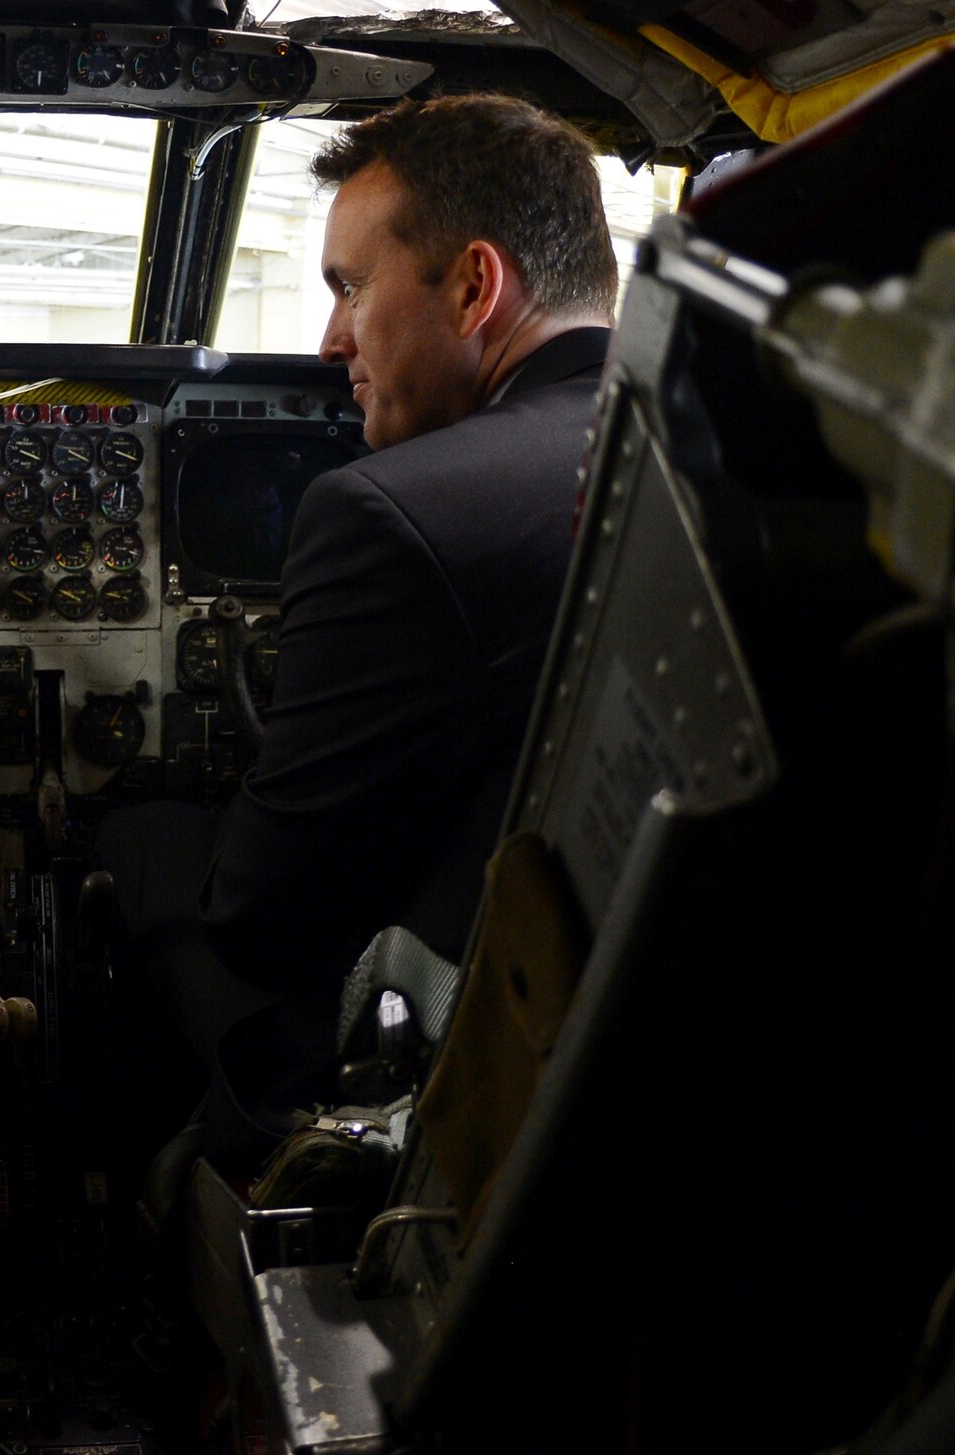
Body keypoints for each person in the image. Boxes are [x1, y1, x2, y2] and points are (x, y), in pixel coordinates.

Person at [97, 94, 617, 1114]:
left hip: (449, 1045)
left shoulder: (388, 513)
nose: (331, 338)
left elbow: (261, 921)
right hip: (642, 996)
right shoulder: (712, 446)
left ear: (474, 285)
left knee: (143, 836)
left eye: (348, 287)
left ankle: (171, 1179)